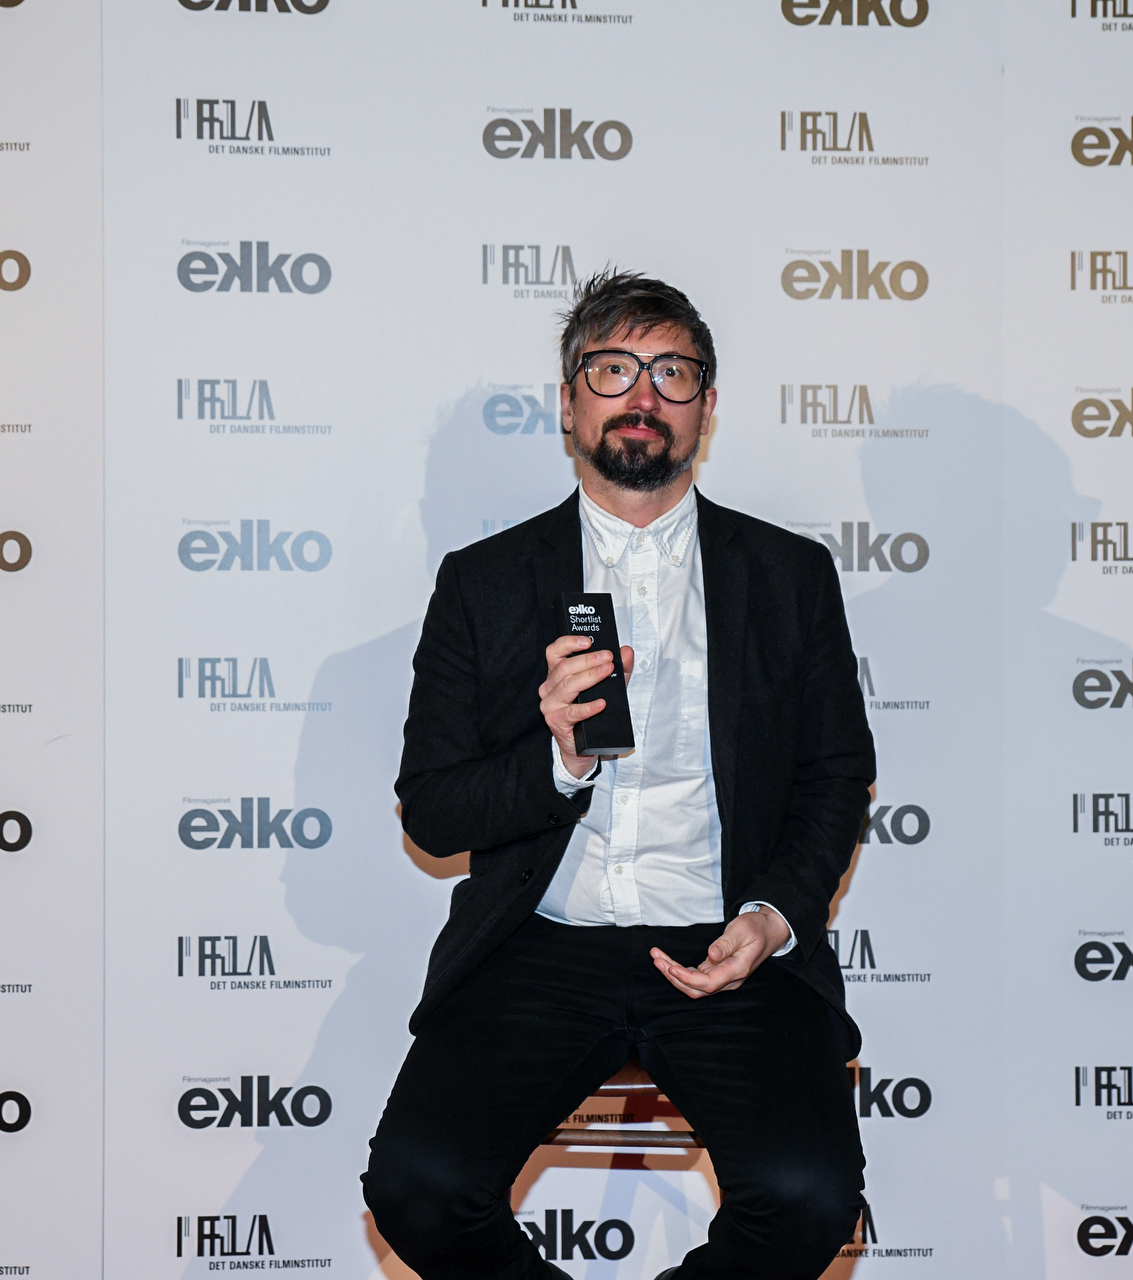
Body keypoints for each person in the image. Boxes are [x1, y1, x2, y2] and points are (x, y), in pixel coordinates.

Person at [363, 269, 876, 1279]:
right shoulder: (483, 583)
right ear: (569, 402)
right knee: (419, 1185)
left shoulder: (788, 575)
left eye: (672, 372)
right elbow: (433, 809)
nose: (643, 394)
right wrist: (555, 761)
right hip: (539, 941)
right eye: (613, 369)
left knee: (809, 1197)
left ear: (706, 408)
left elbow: (834, 774)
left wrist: (772, 916)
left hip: (728, 943)